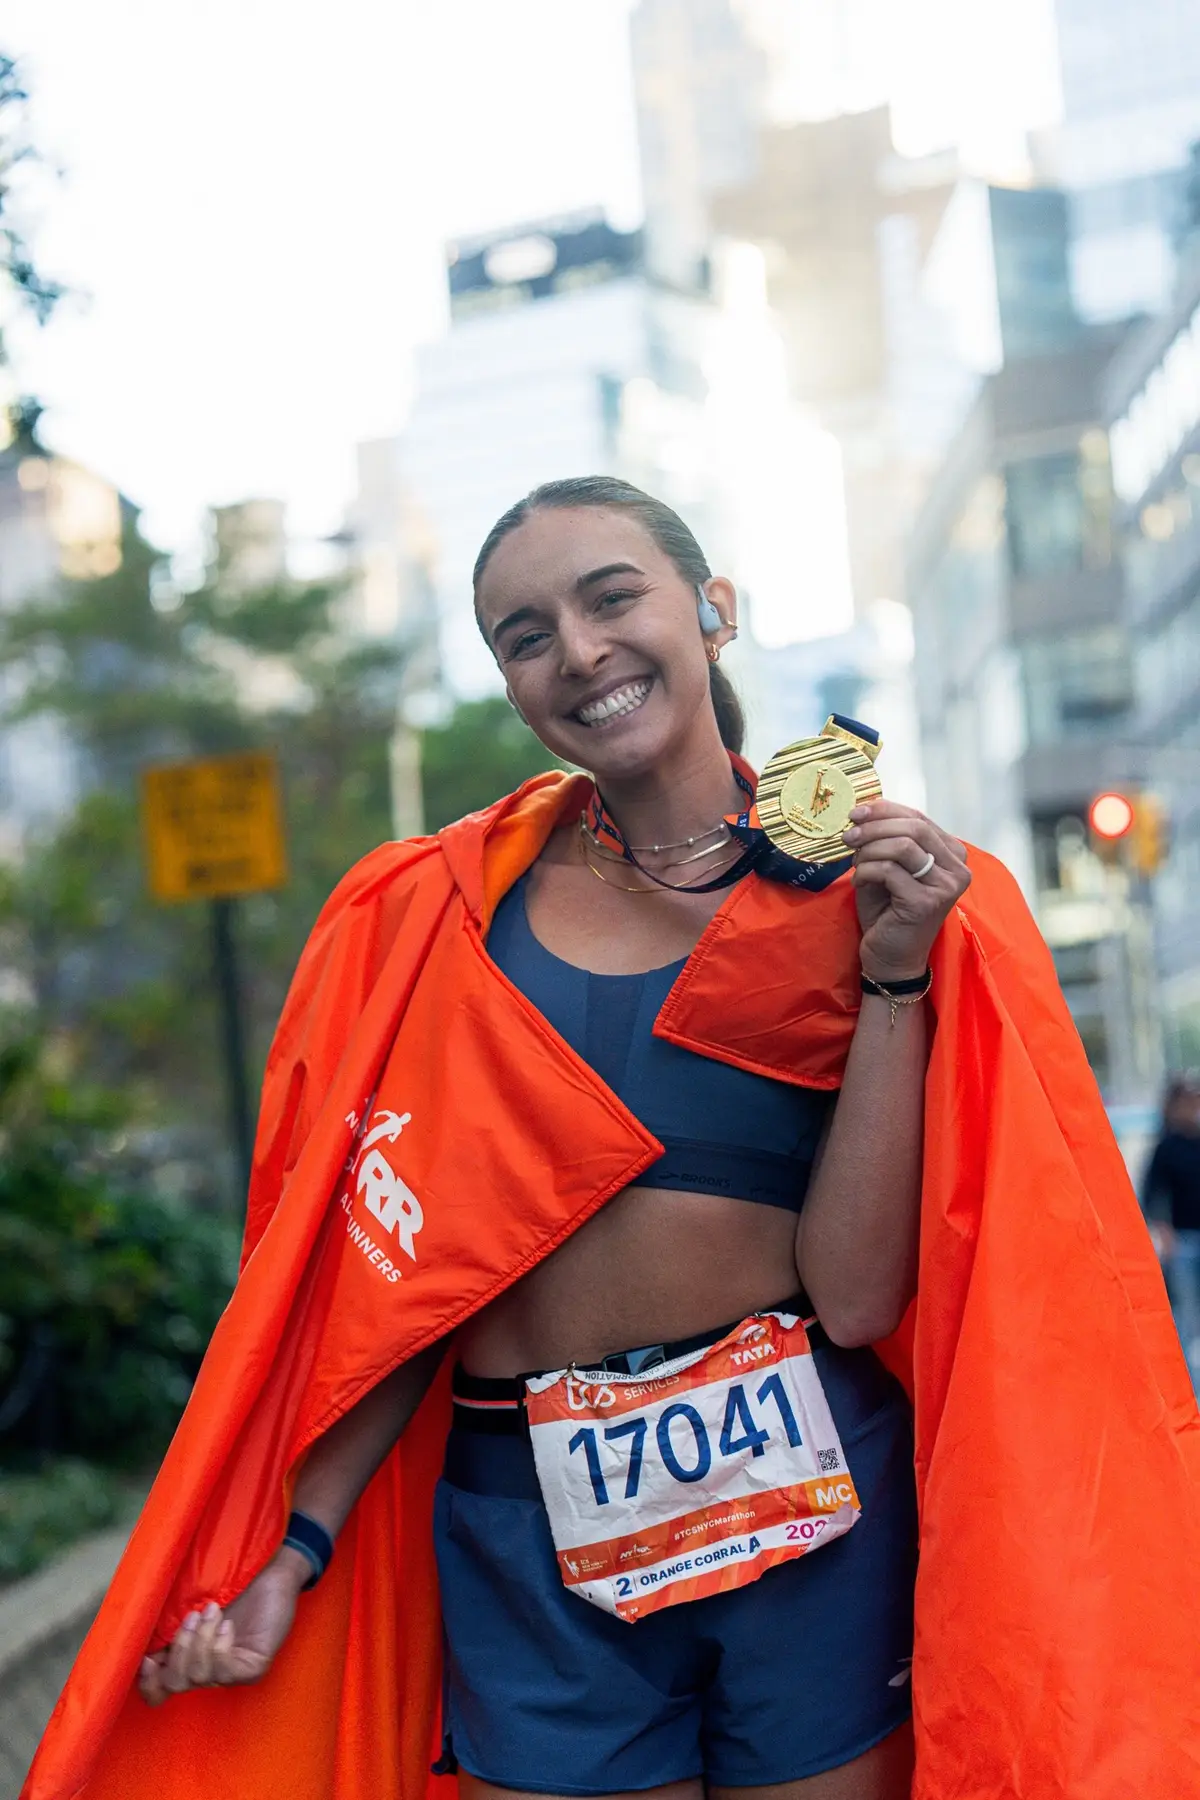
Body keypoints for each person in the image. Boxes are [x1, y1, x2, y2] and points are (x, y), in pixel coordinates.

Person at [26, 481, 1200, 1800]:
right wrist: (298, 1545)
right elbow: (399, 1283)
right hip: (526, 1524)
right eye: (524, 634)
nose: (578, 651)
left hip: (811, 1499)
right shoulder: (441, 919)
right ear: (513, 684)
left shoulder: (879, 892)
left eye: (611, 595)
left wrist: (891, 977)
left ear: (713, 612)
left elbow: (864, 1292)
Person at [1145, 1074, 1200, 1368]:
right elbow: (1152, 1195)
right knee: (1187, 1318)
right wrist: (1166, 1236)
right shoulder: (1167, 1147)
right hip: (1184, 1242)